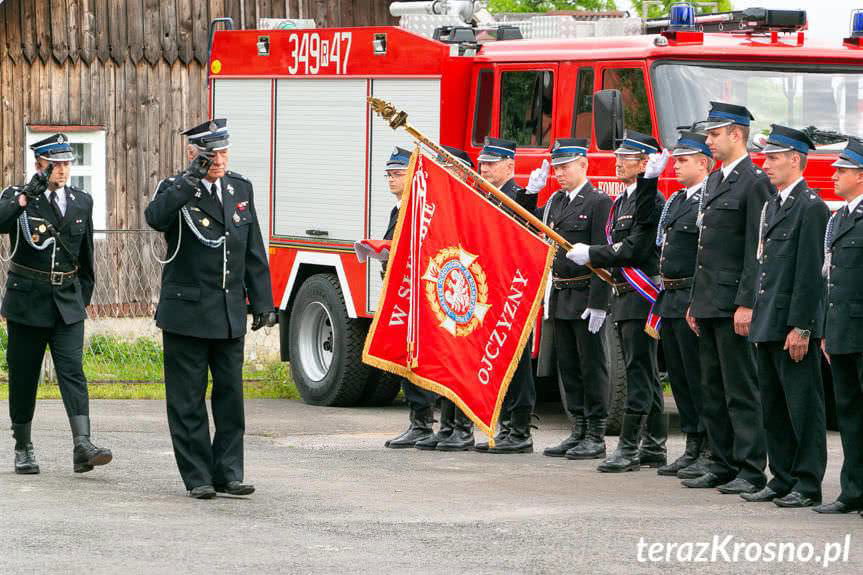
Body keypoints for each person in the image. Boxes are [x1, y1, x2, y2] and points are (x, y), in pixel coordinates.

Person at [145, 119, 277, 499]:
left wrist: (263, 302)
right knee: (187, 400)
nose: (217, 159)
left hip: (228, 310)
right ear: (193, 153)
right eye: (209, 152)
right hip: (186, 312)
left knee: (231, 397)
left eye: (222, 151)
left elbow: (253, 248)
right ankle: (198, 476)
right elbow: (156, 219)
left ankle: (229, 472)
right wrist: (190, 181)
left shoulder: (239, 187)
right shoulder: (176, 188)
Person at [0, 133, 111, 475]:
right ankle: (23, 446)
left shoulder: (81, 200)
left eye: (66, 163)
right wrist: (23, 197)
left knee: (73, 372)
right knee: (24, 376)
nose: (62, 170)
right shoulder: (18, 198)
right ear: (40, 165)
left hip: (67, 303)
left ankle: (83, 444)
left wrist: (82, 299)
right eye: (55, 164)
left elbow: (86, 257)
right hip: (27, 302)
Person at [682, 102, 772, 495]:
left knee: (741, 389)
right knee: (713, 389)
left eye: (715, 134)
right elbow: (707, 247)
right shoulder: (717, 180)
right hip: (708, 300)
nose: (708, 141)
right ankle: (721, 462)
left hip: (734, 303)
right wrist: (694, 301)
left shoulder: (754, 182)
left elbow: (757, 247)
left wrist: (748, 302)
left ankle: (751, 467)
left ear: (736, 134)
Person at [567, 130, 668, 473]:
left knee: (639, 373)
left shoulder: (649, 199)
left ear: (645, 163)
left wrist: (593, 253)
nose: (618, 162)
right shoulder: (623, 200)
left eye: (627, 158)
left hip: (640, 296)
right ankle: (654, 444)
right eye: (619, 157)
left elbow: (637, 249)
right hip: (624, 295)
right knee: (645, 371)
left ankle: (629, 447)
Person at [742, 124, 828, 508]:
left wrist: (803, 326)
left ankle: (808, 482)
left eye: (774, 158)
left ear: (795, 159)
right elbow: (764, 266)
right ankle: (782, 476)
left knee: (803, 407)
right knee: (773, 406)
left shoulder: (811, 206)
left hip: (791, 323)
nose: (766, 164)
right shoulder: (773, 204)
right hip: (768, 320)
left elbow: (810, 274)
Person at [538, 139, 612, 460]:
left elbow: (602, 253)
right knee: (567, 365)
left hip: (585, 293)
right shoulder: (556, 202)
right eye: (557, 168)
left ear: (584, 165)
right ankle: (578, 429)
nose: (560, 173)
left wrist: (599, 302)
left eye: (565, 166)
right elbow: (531, 223)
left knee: (591, 365)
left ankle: (595, 434)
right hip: (561, 293)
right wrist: (530, 193)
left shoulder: (598, 202)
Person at [474, 137, 543, 454]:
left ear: (510, 166)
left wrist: (530, 198)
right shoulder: (487, 197)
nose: (484, 168)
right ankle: (503, 426)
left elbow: (524, 235)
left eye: (491, 163)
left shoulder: (518, 197)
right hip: (491, 291)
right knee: (497, 362)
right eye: (483, 163)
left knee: (516, 363)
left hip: (515, 292)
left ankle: (520, 429)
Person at [654, 132, 711, 478]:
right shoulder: (675, 200)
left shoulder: (708, 199)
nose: (676, 165)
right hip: (670, 297)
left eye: (684, 160)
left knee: (698, 375)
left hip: (692, 295)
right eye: (676, 160)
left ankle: (707, 445)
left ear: (703, 163)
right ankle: (691, 444)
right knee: (679, 378)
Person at [814, 138, 863, 515]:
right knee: (848, 413)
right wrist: (828, 330)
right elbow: (830, 281)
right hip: (843, 331)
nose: (834, 175)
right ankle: (853, 491)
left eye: (842, 170)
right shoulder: (840, 217)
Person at [379, 147, 440, 450]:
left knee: (417, 359)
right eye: (388, 174)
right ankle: (418, 422)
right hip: (401, 295)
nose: (391, 179)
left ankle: (424, 423)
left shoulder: (420, 210)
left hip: (416, 299)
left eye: (397, 173)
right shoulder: (398, 209)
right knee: (404, 359)